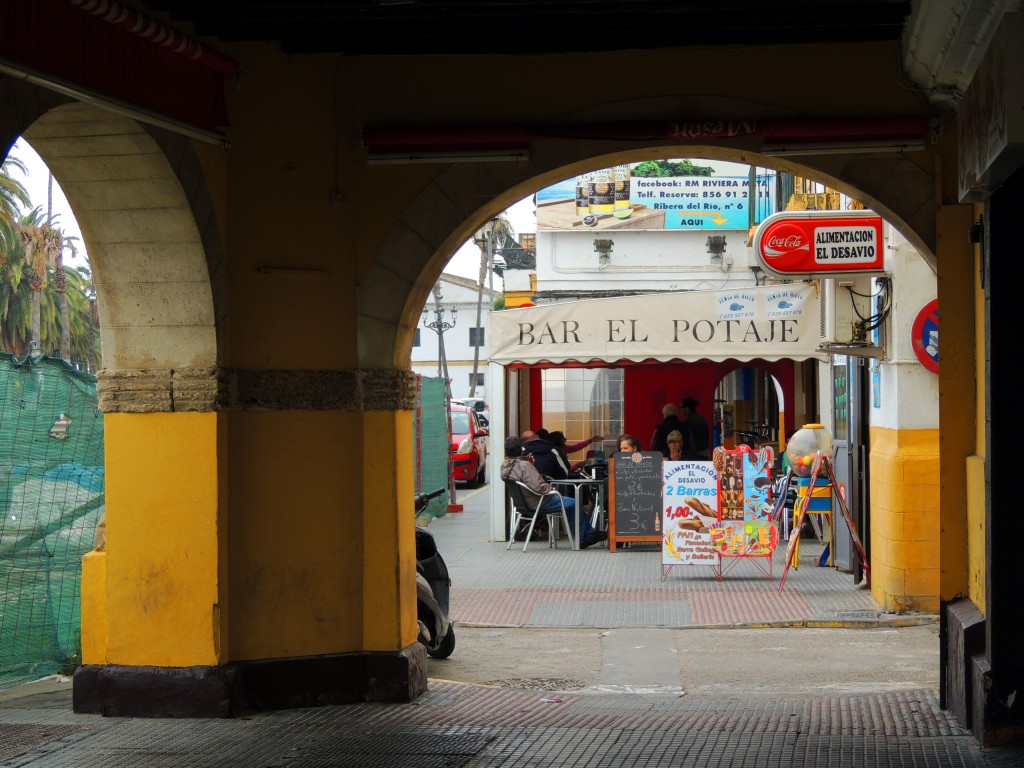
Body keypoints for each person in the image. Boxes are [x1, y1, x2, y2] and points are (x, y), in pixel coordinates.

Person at [500, 436, 608, 549]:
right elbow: (539, 487)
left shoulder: (506, 466)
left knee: (570, 504)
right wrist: (552, 490)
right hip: (540, 501)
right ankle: (583, 537)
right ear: (521, 449)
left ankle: (588, 533)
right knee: (574, 503)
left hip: (524, 503)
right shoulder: (524, 465)